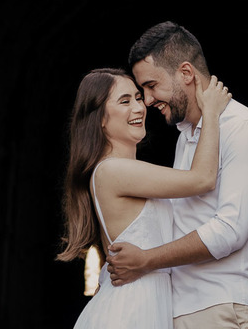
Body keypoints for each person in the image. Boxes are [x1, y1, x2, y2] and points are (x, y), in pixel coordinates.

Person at [108, 22, 248, 329]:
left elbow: (229, 230)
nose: (147, 100)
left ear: (186, 73)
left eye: (151, 85)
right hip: (187, 308)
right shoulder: (186, 135)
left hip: (227, 308)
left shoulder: (244, 130)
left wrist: (146, 259)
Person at [58, 67, 232, 329]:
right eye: (124, 101)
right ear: (100, 119)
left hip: (145, 307)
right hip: (129, 311)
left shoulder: (123, 171)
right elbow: (202, 179)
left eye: (138, 98)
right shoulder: (112, 170)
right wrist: (210, 112)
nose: (139, 108)